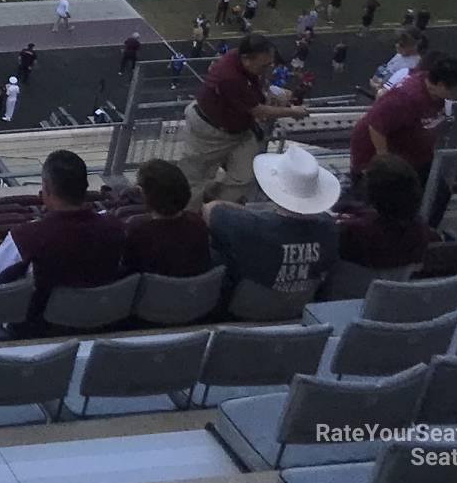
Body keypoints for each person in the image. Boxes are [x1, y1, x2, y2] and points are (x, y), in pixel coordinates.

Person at [0, 150, 126, 317]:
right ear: (85, 187)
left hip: (36, 323)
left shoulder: (27, 236)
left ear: (46, 189)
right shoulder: (114, 226)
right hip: (94, 315)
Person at [205, 142, 341, 306]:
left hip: (240, 309)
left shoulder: (248, 225)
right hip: (297, 308)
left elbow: (209, 209)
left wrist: (247, 211)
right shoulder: (330, 229)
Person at [176, 35, 310, 202]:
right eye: (265, 65)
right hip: (209, 132)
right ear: (246, 59)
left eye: (270, 63)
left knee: (244, 176)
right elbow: (259, 111)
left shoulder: (241, 59)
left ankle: (215, 206)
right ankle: (190, 218)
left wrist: (271, 94)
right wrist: (292, 111)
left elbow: (257, 87)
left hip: (238, 131)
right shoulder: (230, 77)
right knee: (193, 180)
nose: (269, 68)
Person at [349, 54, 457, 177]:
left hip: (412, 151)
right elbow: (376, 124)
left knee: (438, 191)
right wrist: (385, 162)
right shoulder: (407, 97)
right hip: (377, 153)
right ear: (440, 85)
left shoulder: (432, 88)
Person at [335, 154, 434, 271]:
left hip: (348, 288)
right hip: (395, 286)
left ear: (370, 193)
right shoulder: (419, 233)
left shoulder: (350, 234)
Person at [123, 159, 213, 277]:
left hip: (150, 293)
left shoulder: (138, 231)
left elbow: (128, 269)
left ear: (142, 193)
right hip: (194, 293)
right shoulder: (198, 224)